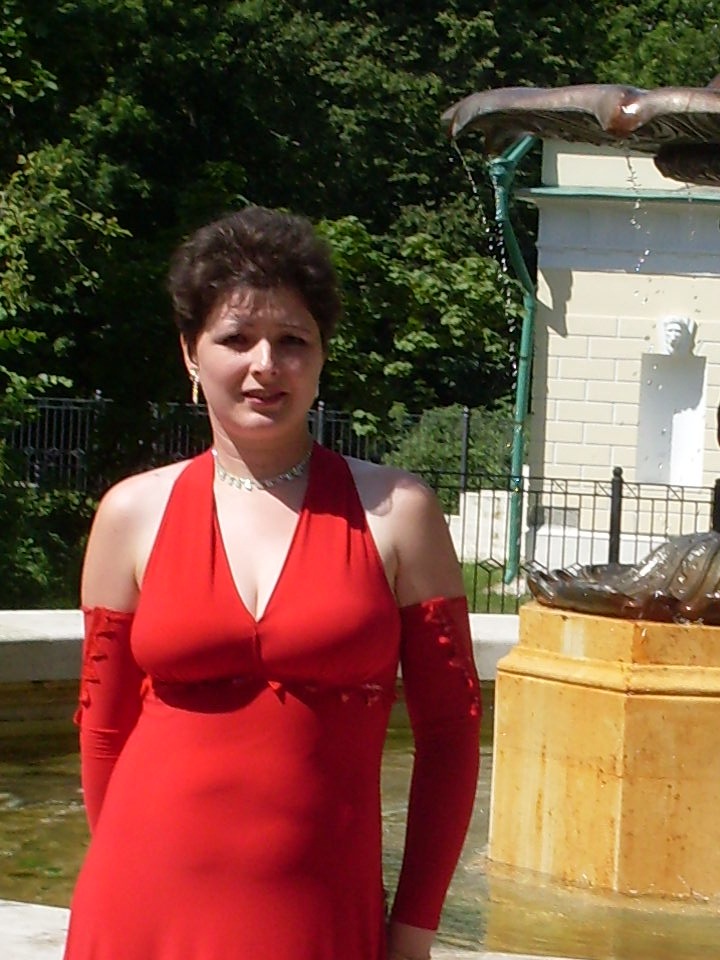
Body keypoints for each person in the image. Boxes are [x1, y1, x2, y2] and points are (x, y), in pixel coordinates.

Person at [63, 205, 481, 960]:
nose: (266, 364)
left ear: (321, 357)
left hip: (317, 913)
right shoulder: (131, 513)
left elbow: (450, 737)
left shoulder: (399, 512)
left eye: (293, 341)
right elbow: (102, 729)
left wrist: (414, 929)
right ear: (191, 354)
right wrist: (124, 885)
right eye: (236, 338)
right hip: (141, 904)